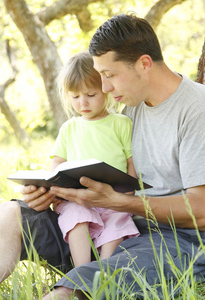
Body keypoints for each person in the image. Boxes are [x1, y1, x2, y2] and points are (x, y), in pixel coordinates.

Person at [0, 13, 205, 300]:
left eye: (109, 75)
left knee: (71, 291)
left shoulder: (199, 111)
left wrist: (119, 203)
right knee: (11, 214)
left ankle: (76, 281)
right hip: (112, 225)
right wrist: (53, 190)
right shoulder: (131, 107)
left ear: (144, 64)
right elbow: (107, 170)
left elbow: (202, 212)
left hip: (182, 242)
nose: (104, 87)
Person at [51, 51, 139, 267]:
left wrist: (127, 192)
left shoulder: (120, 123)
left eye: (91, 95)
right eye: (75, 97)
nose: (83, 103)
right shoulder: (69, 128)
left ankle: (103, 271)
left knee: (117, 222)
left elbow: (131, 162)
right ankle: (82, 270)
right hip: (78, 199)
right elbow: (57, 162)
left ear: (105, 89)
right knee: (75, 218)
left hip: (113, 199)